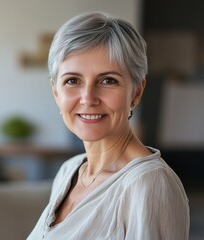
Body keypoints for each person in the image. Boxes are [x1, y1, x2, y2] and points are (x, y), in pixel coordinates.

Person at [27, 12, 189, 240]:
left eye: (108, 80)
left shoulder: (148, 184)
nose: (88, 98)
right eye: (72, 80)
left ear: (136, 92)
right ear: (56, 92)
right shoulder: (69, 171)